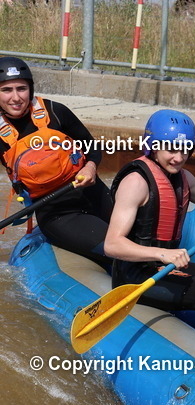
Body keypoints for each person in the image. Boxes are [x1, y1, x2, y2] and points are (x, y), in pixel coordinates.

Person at [104, 109, 195, 311]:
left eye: (185, 150)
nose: (178, 158)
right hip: (136, 277)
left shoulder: (184, 177)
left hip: (166, 266)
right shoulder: (136, 183)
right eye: (172, 149)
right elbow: (112, 245)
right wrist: (162, 254)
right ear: (153, 147)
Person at [0, 57, 112, 267]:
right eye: (7, 90)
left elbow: (91, 147)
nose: (16, 97)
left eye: (21, 89)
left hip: (93, 194)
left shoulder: (55, 111)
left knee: (139, 243)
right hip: (57, 212)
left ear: (30, 89)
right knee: (119, 251)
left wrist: (90, 166)